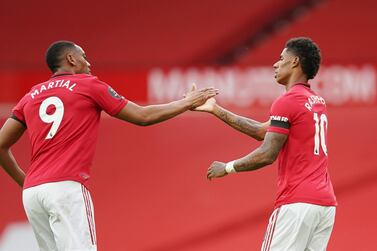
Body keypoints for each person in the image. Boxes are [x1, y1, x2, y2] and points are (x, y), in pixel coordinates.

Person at [0, 40, 218, 251]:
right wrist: (187, 102)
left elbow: (1, 144)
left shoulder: (31, 95)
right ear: (70, 59)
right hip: (66, 188)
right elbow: (142, 116)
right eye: (84, 56)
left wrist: (26, 181)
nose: (88, 63)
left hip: (33, 194)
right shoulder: (88, 85)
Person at [195, 37, 337, 250]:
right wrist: (215, 109)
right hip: (324, 206)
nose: (276, 64)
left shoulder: (287, 101)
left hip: (296, 204)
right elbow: (262, 131)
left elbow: (267, 154)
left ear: (295, 61)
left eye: (281, 58)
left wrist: (227, 168)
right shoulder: (315, 101)